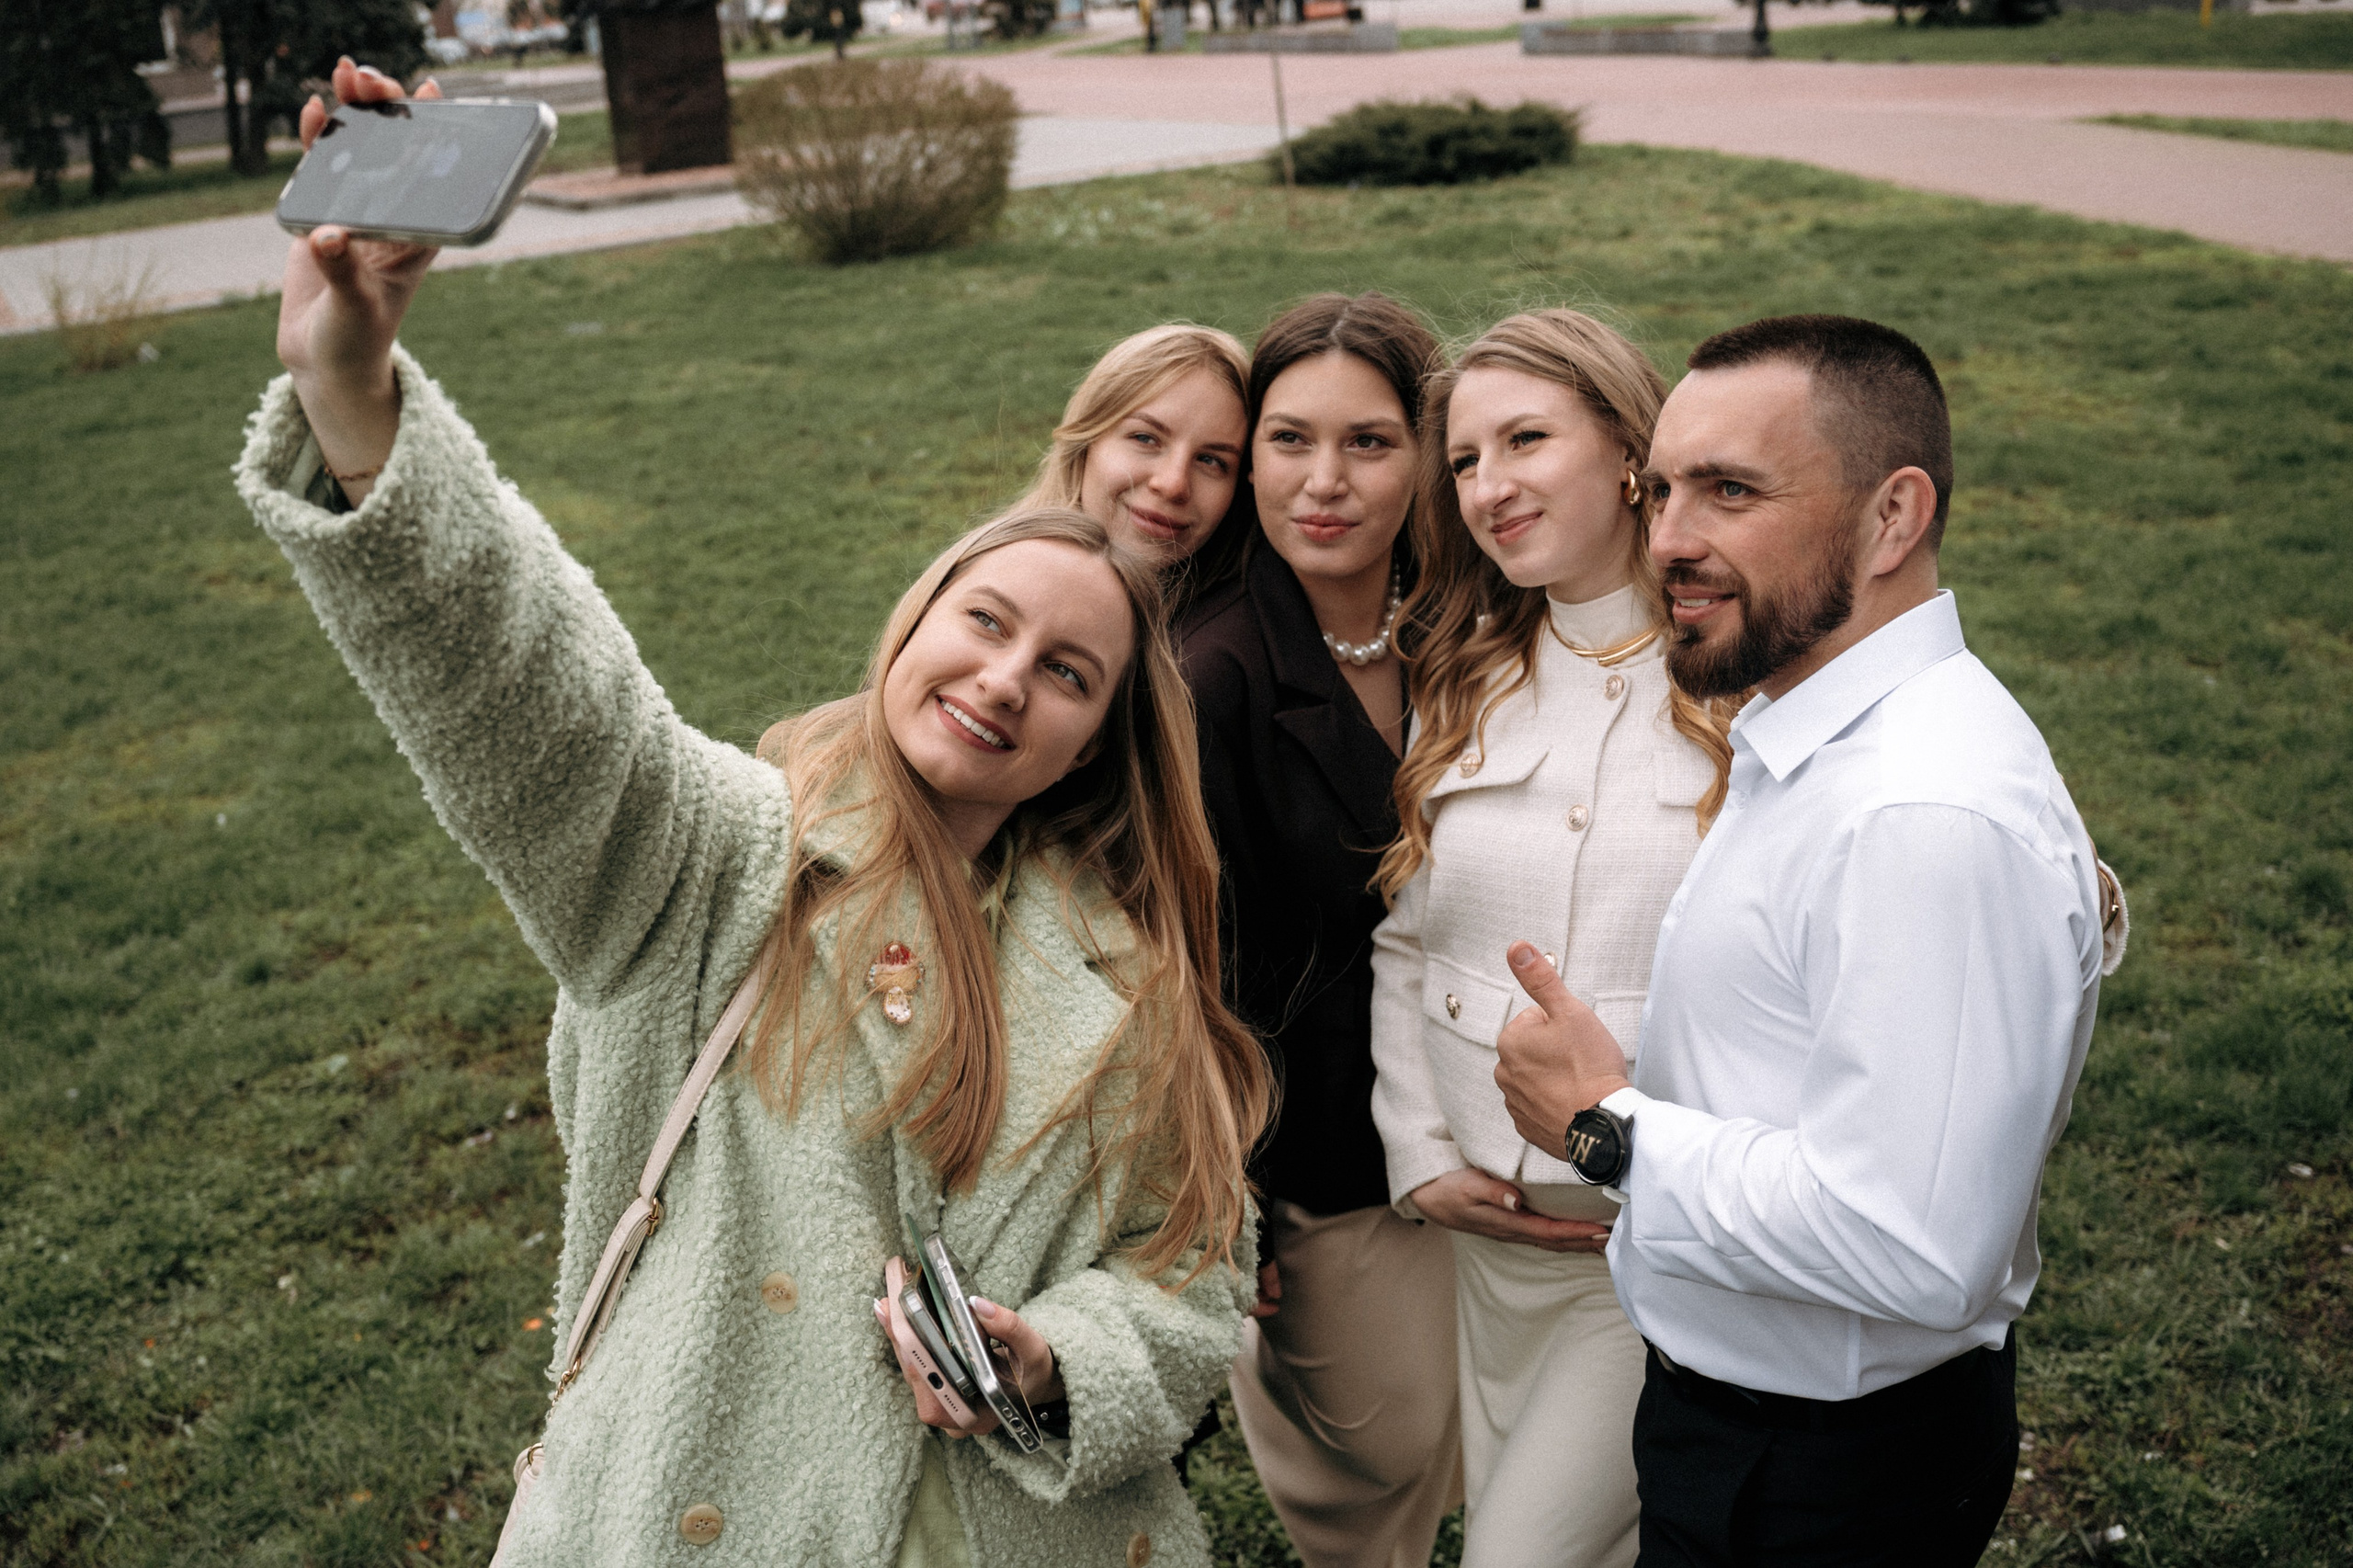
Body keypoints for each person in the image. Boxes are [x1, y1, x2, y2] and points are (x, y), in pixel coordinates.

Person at [242, 59, 1274, 1568]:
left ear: (1091, 749)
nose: (1001, 680)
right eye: (980, 621)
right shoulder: (721, 858)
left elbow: (1192, 1278)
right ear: (909, 625)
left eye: (1065, 672)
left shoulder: (1132, 978)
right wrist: (351, 385)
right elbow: (532, 682)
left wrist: (1052, 1360)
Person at [1491, 314, 2128, 1568]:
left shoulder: (1916, 810)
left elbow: (1912, 1243)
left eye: (1731, 490)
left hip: (1822, 1473)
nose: (1670, 537)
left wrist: (1604, 1122)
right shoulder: (1829, 730)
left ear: (1893, 518)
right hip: (1755, 1429)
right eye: (1663, 489)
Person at [1367, 309, 1739, 1568]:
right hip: (1493, 1249)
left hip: (1649, 1247)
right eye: (1464, 460)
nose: (1488, 486)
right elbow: (1406, 941)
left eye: (1526, 438)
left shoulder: (1753, 672)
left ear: (1633, 451)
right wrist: (1420, 1152)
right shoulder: (1465, 671)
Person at [1176, 292, 1463, 1568]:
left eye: (1370, 442)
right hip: (1320, 1156)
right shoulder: (1213, 674)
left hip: (1487, 1111)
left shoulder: (1470, 615)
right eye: (1288, 442)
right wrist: (1224, 1200)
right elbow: (1179, 968)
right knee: (1383, 1457)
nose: (1323, 483)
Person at [1015, 321, 1251, 581]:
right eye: (1145, 438)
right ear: (1086, 440)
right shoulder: (984, 583)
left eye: (1211, 460)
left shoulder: (1250, 614)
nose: (1173, 484)